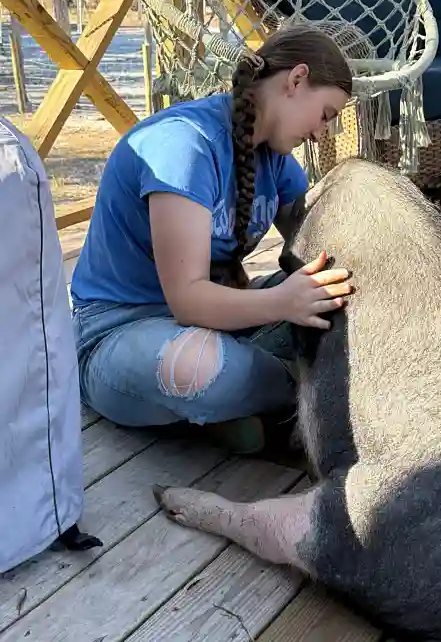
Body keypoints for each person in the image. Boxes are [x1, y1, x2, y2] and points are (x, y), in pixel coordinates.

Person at [71, 25, 354, 454]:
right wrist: (285, 303)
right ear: (296, 80)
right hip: (121, 334)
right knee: (203, 372)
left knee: (339, 292)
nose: (321, 135)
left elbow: (322, 243)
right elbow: (187, 301)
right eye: (326, 115)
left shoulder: (273, 159)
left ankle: (241, 416)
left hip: (221, 323)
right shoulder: (184, 146)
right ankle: (313, 394)